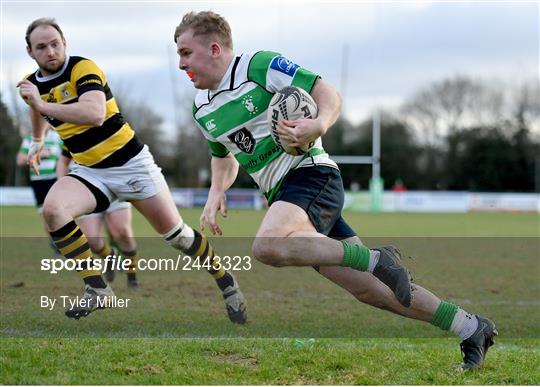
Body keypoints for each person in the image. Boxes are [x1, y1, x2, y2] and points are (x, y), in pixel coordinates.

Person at [174, 11, 497, 369]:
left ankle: (377, 258)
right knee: (372, 290)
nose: (181, 63)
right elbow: (223, 156)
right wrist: (216, 192)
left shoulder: (259, 66)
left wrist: (318, 124)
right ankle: (470, 327)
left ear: (214, 48)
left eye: (185, 52)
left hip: (312, 177)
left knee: (267, 246)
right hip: (288, 198)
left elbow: (326, 91)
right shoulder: (201, 107)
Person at [18, 17, 247, 324]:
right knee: (53, 211)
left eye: (55, 44)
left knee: (177, 236)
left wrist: (43, 107)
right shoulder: (31, 84)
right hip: (90, 170)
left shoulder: (82, 68)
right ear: (30, 51)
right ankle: (97, 288)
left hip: (131, 164)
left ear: (65, 44)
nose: (50, 51)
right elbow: (36, 104)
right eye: (42, 47)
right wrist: (36, 140)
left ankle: (226, 281)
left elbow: (95, 113)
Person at [57, 153, 141, 290]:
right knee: (92, 240)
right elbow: (63, 162)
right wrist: (62, 186)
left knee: (122, 232)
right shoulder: (72, 133)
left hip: (116, 184)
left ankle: (132, 276)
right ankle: (110, 256)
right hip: (87, 188)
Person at [16, 126, 62, 254]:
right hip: (38, 182)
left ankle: (66, 241)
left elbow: (66, 157)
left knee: (58, 212)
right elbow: (20, 159)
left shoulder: (57, 137)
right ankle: (55, 243)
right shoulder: (30, 138)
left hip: (54, 180)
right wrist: (38, 154)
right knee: (45, 216)